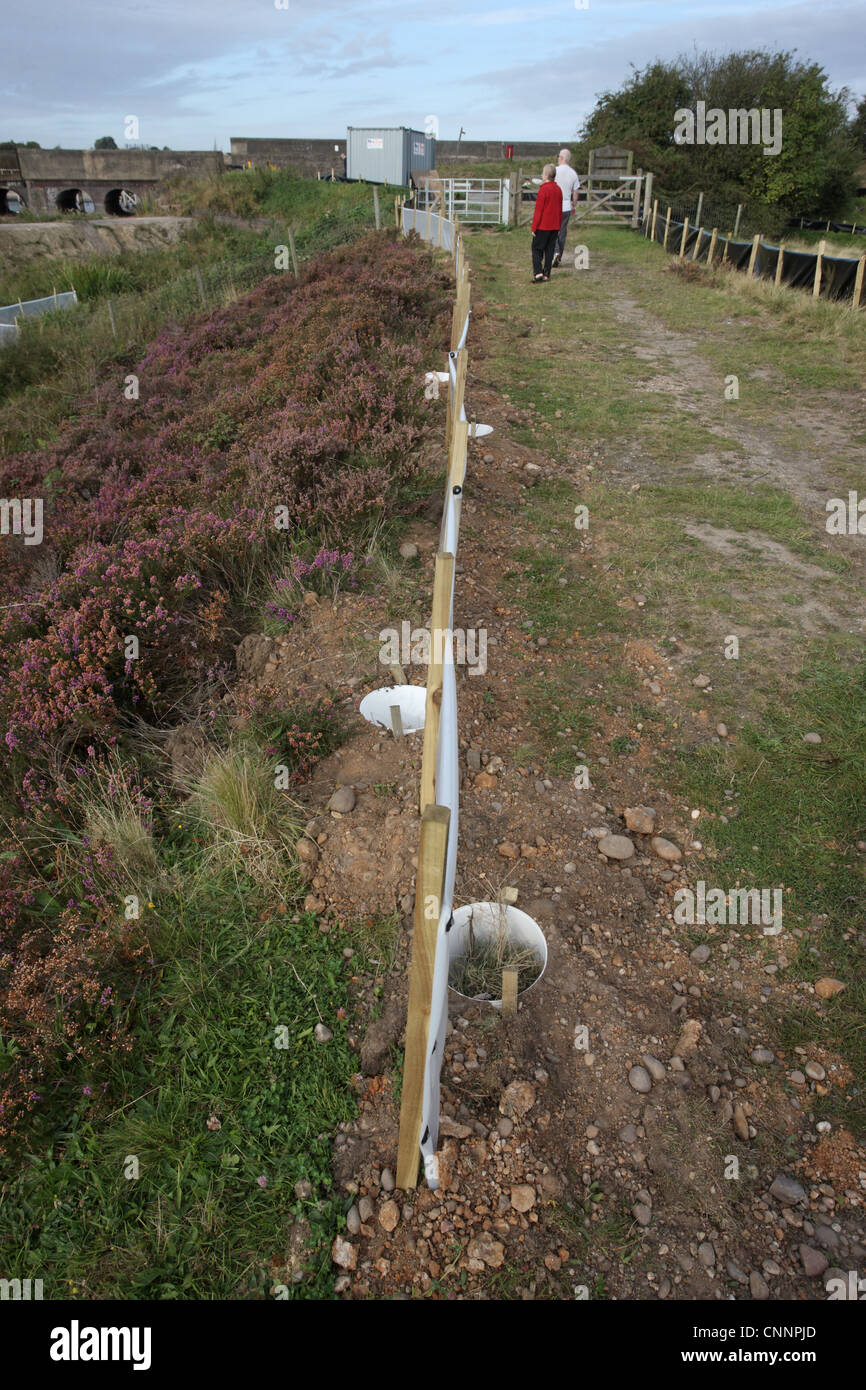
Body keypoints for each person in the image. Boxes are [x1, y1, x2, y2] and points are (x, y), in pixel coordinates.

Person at [530, 164, 561, 282]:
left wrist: (534, 227)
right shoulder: (558, 189)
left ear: (546, 175)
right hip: (554, 226)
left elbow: (539, 211)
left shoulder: (543, 189)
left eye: (543, 173)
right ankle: (547, 273)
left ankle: (538, 273)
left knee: (536, 249)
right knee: (549, 250)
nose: (541, 175)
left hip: (543, 225)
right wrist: (558, 226)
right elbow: (559, 209)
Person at [552, 148, 581, 267]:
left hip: (555, 206)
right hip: (566, 206)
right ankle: (559, 256)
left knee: (553, 230)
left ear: (562, 158)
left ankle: (555, 251)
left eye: (559, 156)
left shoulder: (555, 171)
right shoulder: (573, 173)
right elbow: (576, 192)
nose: (558, 158)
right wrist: (574, 205)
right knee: (562, 232)